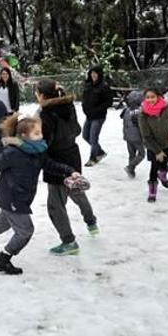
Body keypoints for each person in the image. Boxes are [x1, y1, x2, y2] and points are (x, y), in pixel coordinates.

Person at [0, 114, 78, 274]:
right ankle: (4, 260)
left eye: (40, 132)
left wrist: (69, 171)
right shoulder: (13, 152)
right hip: (12, 197)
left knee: (5, 221)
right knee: (25, 231)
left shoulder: (38, 151)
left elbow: (50, 165)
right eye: (36, 133)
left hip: (20, 197)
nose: (40, 136)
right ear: (24, 136)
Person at [37, 79, 99, 256]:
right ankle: (91, 222)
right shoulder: (68, 106)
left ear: (41, 95)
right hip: (73, 155)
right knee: (76, 190)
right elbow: (77, 130)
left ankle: (68, 241)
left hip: (56, 160)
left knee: (55, 205)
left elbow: (44, 142)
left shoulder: (46, 113)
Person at [138, 88, 168, 203]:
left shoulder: (167, 107)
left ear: (158, 97)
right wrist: (157, 151)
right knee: (154, 167)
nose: (150, 99)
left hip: (167, 142)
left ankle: (162, 175)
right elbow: (145, 136)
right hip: (153, 145)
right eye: (147, 97)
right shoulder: (143, 113)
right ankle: (152, 191)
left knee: (165, 163)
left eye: (152, 97)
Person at [81, 65, 112, 166]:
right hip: (89, 116)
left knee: (93, 137)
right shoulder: (88, 85)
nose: (93, 75)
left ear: (99, 74)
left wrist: (97, 110)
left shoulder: (104, 86)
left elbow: (108, 102)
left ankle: (93, 158)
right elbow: (84, 99)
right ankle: (100, 152)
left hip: (98, 116)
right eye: (91, 73)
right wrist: (84, 108)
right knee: (85, 136)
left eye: (95, 73)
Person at [121, 90, 145, 178]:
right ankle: (130, 167)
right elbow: (141, 125)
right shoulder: (139, 111)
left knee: (132, 154)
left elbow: (122, 117)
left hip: (127, 136)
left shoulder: (126, 110)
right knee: (142, 154)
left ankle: (131, 172)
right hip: (137, 137)